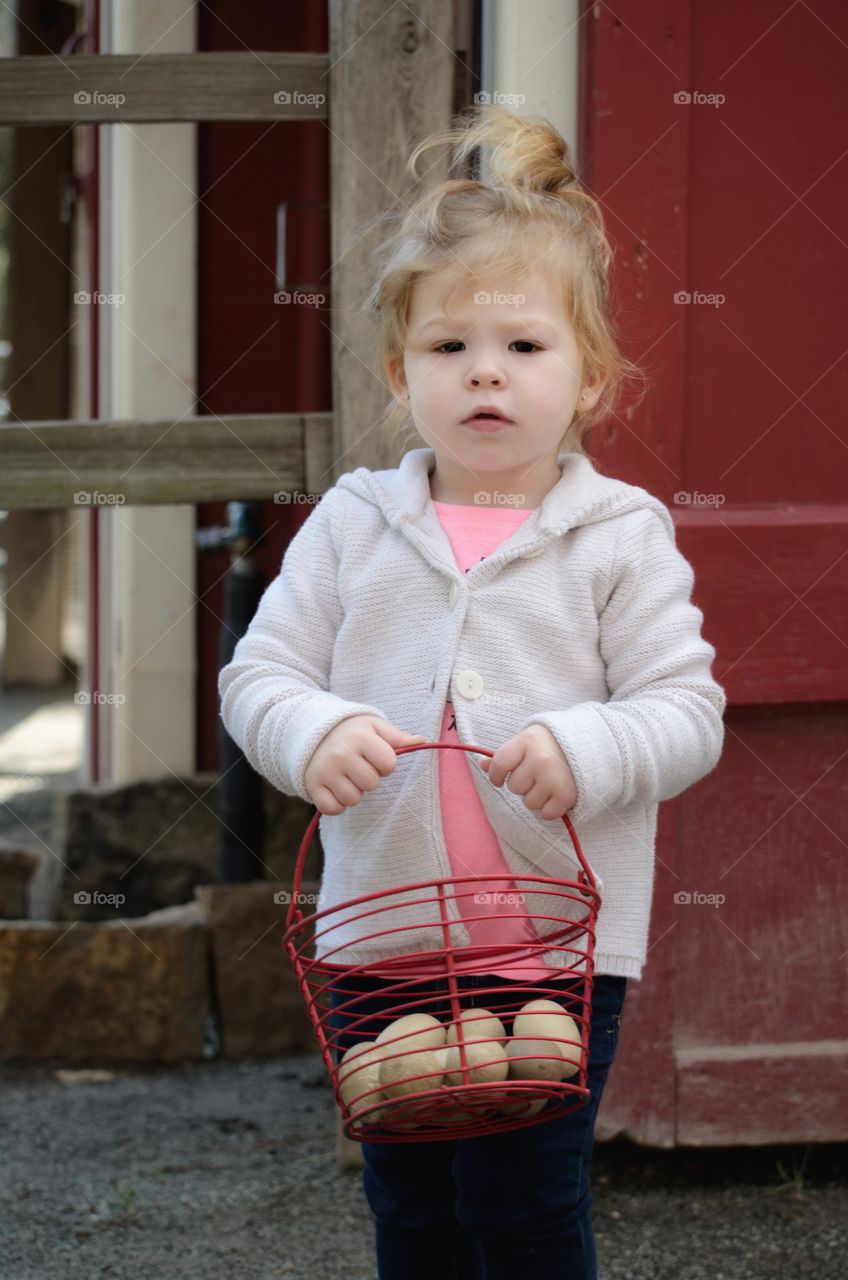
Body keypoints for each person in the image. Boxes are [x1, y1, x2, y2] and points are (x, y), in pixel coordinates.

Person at [218, 104, 726, 1280]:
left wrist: (586, 744)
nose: (484, 371)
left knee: (527, 1197)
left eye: (524, 346)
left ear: (590, 376)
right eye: (448, 348)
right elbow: (261, 673)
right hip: (379, 937)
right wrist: (313, 728)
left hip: (554, 946)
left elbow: (684, 710)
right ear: (400, 374)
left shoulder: (618, 535)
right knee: (411, 1196)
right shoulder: (355, 523)